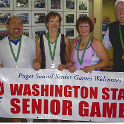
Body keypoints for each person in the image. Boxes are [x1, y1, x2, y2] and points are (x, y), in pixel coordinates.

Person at [33, 11, 71, 122]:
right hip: (46, 74)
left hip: (60, 74)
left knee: (59, 100)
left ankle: (58, 121)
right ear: (47, 23)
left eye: (57, 21)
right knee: (48, 100)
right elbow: (38, 58)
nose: (54, 23)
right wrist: (36, 63)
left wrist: (64, 65)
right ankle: (49, 121)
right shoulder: (40, 39)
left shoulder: (65, 39)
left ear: (60, 23)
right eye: (52, 20)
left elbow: (69, 60)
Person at [0, 16, 35, 122]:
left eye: (20, 24)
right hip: (10, 85)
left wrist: (38, 62)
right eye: (13, 23)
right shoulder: (1, 44)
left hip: (29, 83)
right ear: (7, 26)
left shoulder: (31, 42)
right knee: (14, 110)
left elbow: (37, 60)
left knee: (29, 109)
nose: (17, 26)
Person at [102, 0, 124, 72]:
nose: (121, 12)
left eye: (123, 9)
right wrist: (84, 39)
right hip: (118, 72)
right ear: (115, 12)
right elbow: (103, 46)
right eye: (118, 10)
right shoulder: (112, 27)